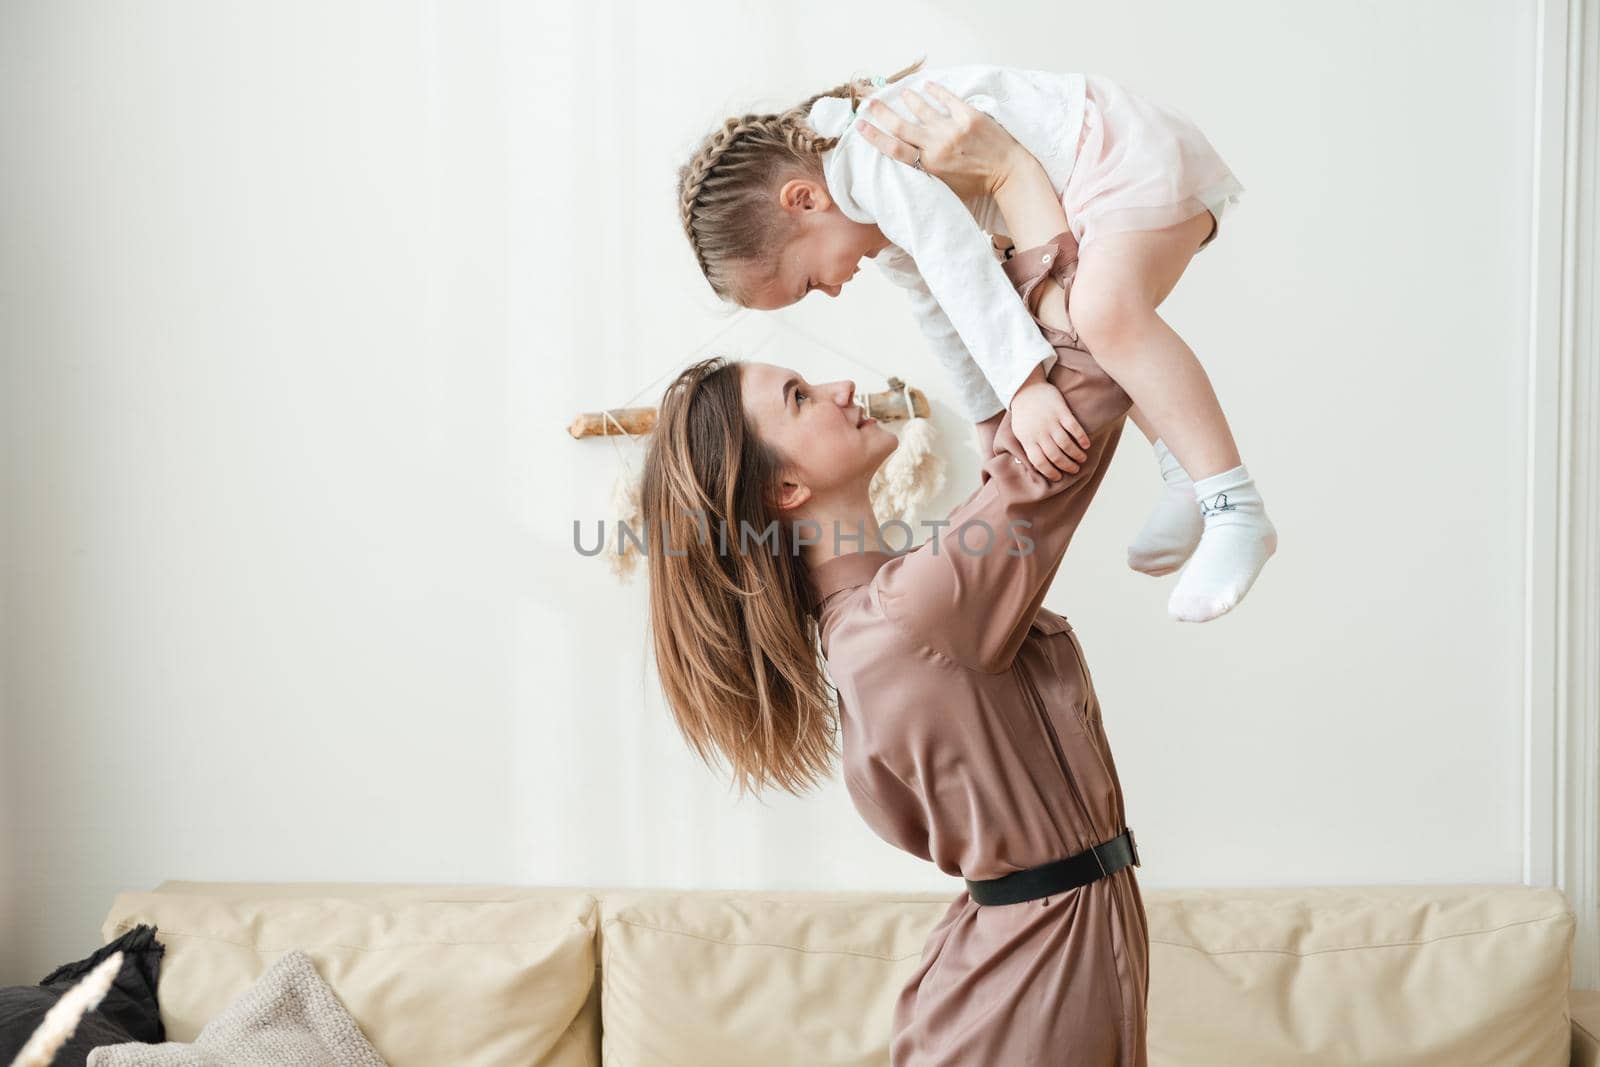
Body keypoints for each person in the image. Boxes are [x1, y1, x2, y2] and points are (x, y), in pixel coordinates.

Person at [644, 112, 1148, 1065]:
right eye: (798, 398)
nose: (838, 389)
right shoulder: (910, 615)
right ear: (784, 490)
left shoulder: (883, 615)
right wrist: (1016, 181)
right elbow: (1080, 403)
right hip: (1030, 983)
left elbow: (1014, 450)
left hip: (1031, 965)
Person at [676, 61, 1277, 622]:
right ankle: (1185, 472)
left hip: (1118, 155)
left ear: (804, 201)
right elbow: (937, 306)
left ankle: (1234, 503)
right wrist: (990, 417)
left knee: (1097, 314)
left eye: (809, 282)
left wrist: (1026, 386)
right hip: (1093, 179)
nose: (831, 292)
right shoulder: (871, 212)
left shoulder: (871, 156)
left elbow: (962, 266)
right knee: (1100, 330)